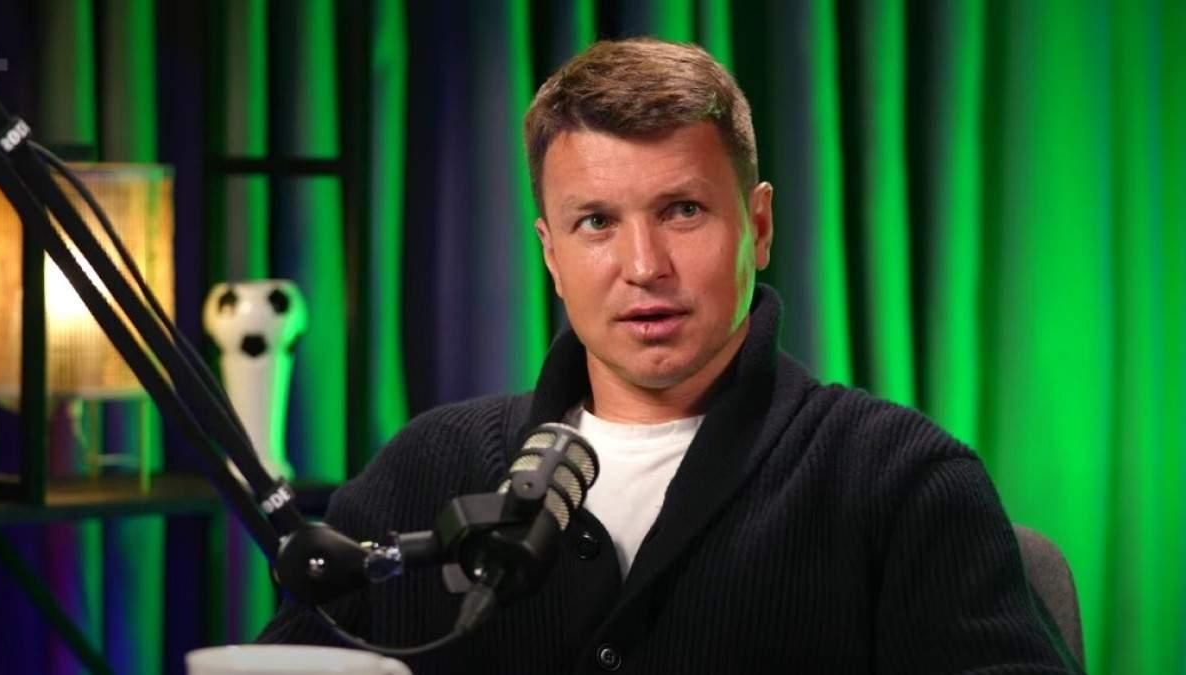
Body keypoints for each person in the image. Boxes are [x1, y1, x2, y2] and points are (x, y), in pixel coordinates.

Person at [260, 38, 1079, 674]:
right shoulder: (423, 472)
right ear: (550, 254)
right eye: (596, 223)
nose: (644, 265)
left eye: (683, 210)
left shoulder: (901, 479)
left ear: (758, 226)